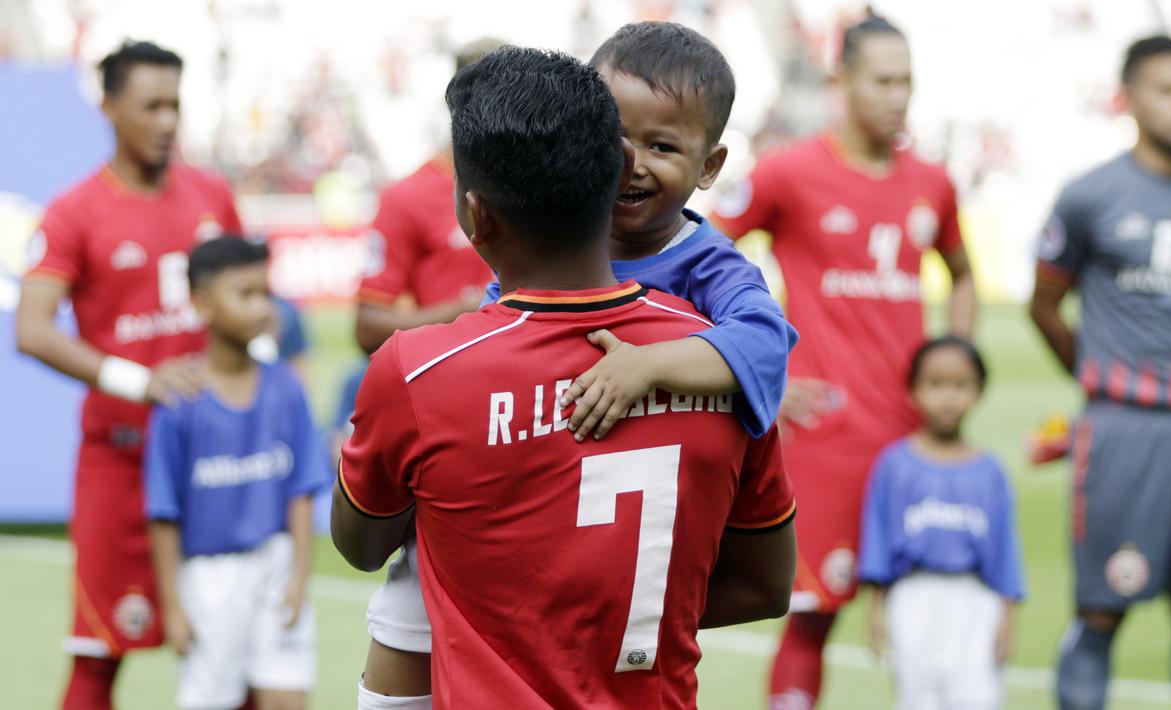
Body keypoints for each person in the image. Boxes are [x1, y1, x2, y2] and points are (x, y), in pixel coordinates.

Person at [333, 46, 797, 709]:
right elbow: (762, 587)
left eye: (661, 144)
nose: (636, 161)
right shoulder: (716, 361)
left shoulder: (426, 369)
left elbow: (360, 543)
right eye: (620, 138)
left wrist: (649, 368)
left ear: (476, 214)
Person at [710, 15, 977, 708]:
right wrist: (756, 360)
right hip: (826, 438)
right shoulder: (790, 172)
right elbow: (703, 252)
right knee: (810, 618)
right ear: (842, 82)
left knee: (931, 620)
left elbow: (962, 274)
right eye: (882, 80)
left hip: (914, 440)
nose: (897, 96)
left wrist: (957, 365)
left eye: (906, 82)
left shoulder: (932, 182)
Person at [15, 39, 242, 709]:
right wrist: (135, 380)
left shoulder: (212, 196)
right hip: (122, 463)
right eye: (151, 106)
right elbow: (32, 329)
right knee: (98, 657)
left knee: (235, 652)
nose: (168, 121)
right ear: (110, 108)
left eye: (175, 104)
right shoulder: (73, 211)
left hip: (212, 461)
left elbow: (255, 306)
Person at [1030, 36, 1171, 710]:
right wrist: (1095, 375)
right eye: (1166, 90)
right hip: (1122, 433)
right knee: (1100, 614)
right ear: (1129, 100)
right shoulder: (1091, 195)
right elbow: (1044, 304)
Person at [144, 237, 328, 710]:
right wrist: (173, 605)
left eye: (263, 292)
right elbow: (163, 512)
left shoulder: (286, 386)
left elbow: (302, 491)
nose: (260, 307)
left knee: (286, 696)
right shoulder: (179, 401)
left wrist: (299, 577)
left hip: (277, 563)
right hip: (208, 578)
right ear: (202, 305)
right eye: (244, 294)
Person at [859, 337, 1024, 709]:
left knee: (977, 697)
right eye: (935, 385)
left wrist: (1007, 620)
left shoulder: (990, 470)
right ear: (913, 390)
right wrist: (876, 613)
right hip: (912, 597)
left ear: (979, 390)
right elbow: (878, 541)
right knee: (918, 699)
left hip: (975, 600)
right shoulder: (894, 464)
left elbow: (1005, 549)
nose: (947, 397)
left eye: (960, 385)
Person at [352, 39, 504, 356]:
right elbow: (368, 328)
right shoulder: (406, 197)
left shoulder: (544, 180)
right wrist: (474, 308)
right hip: (453, 375)